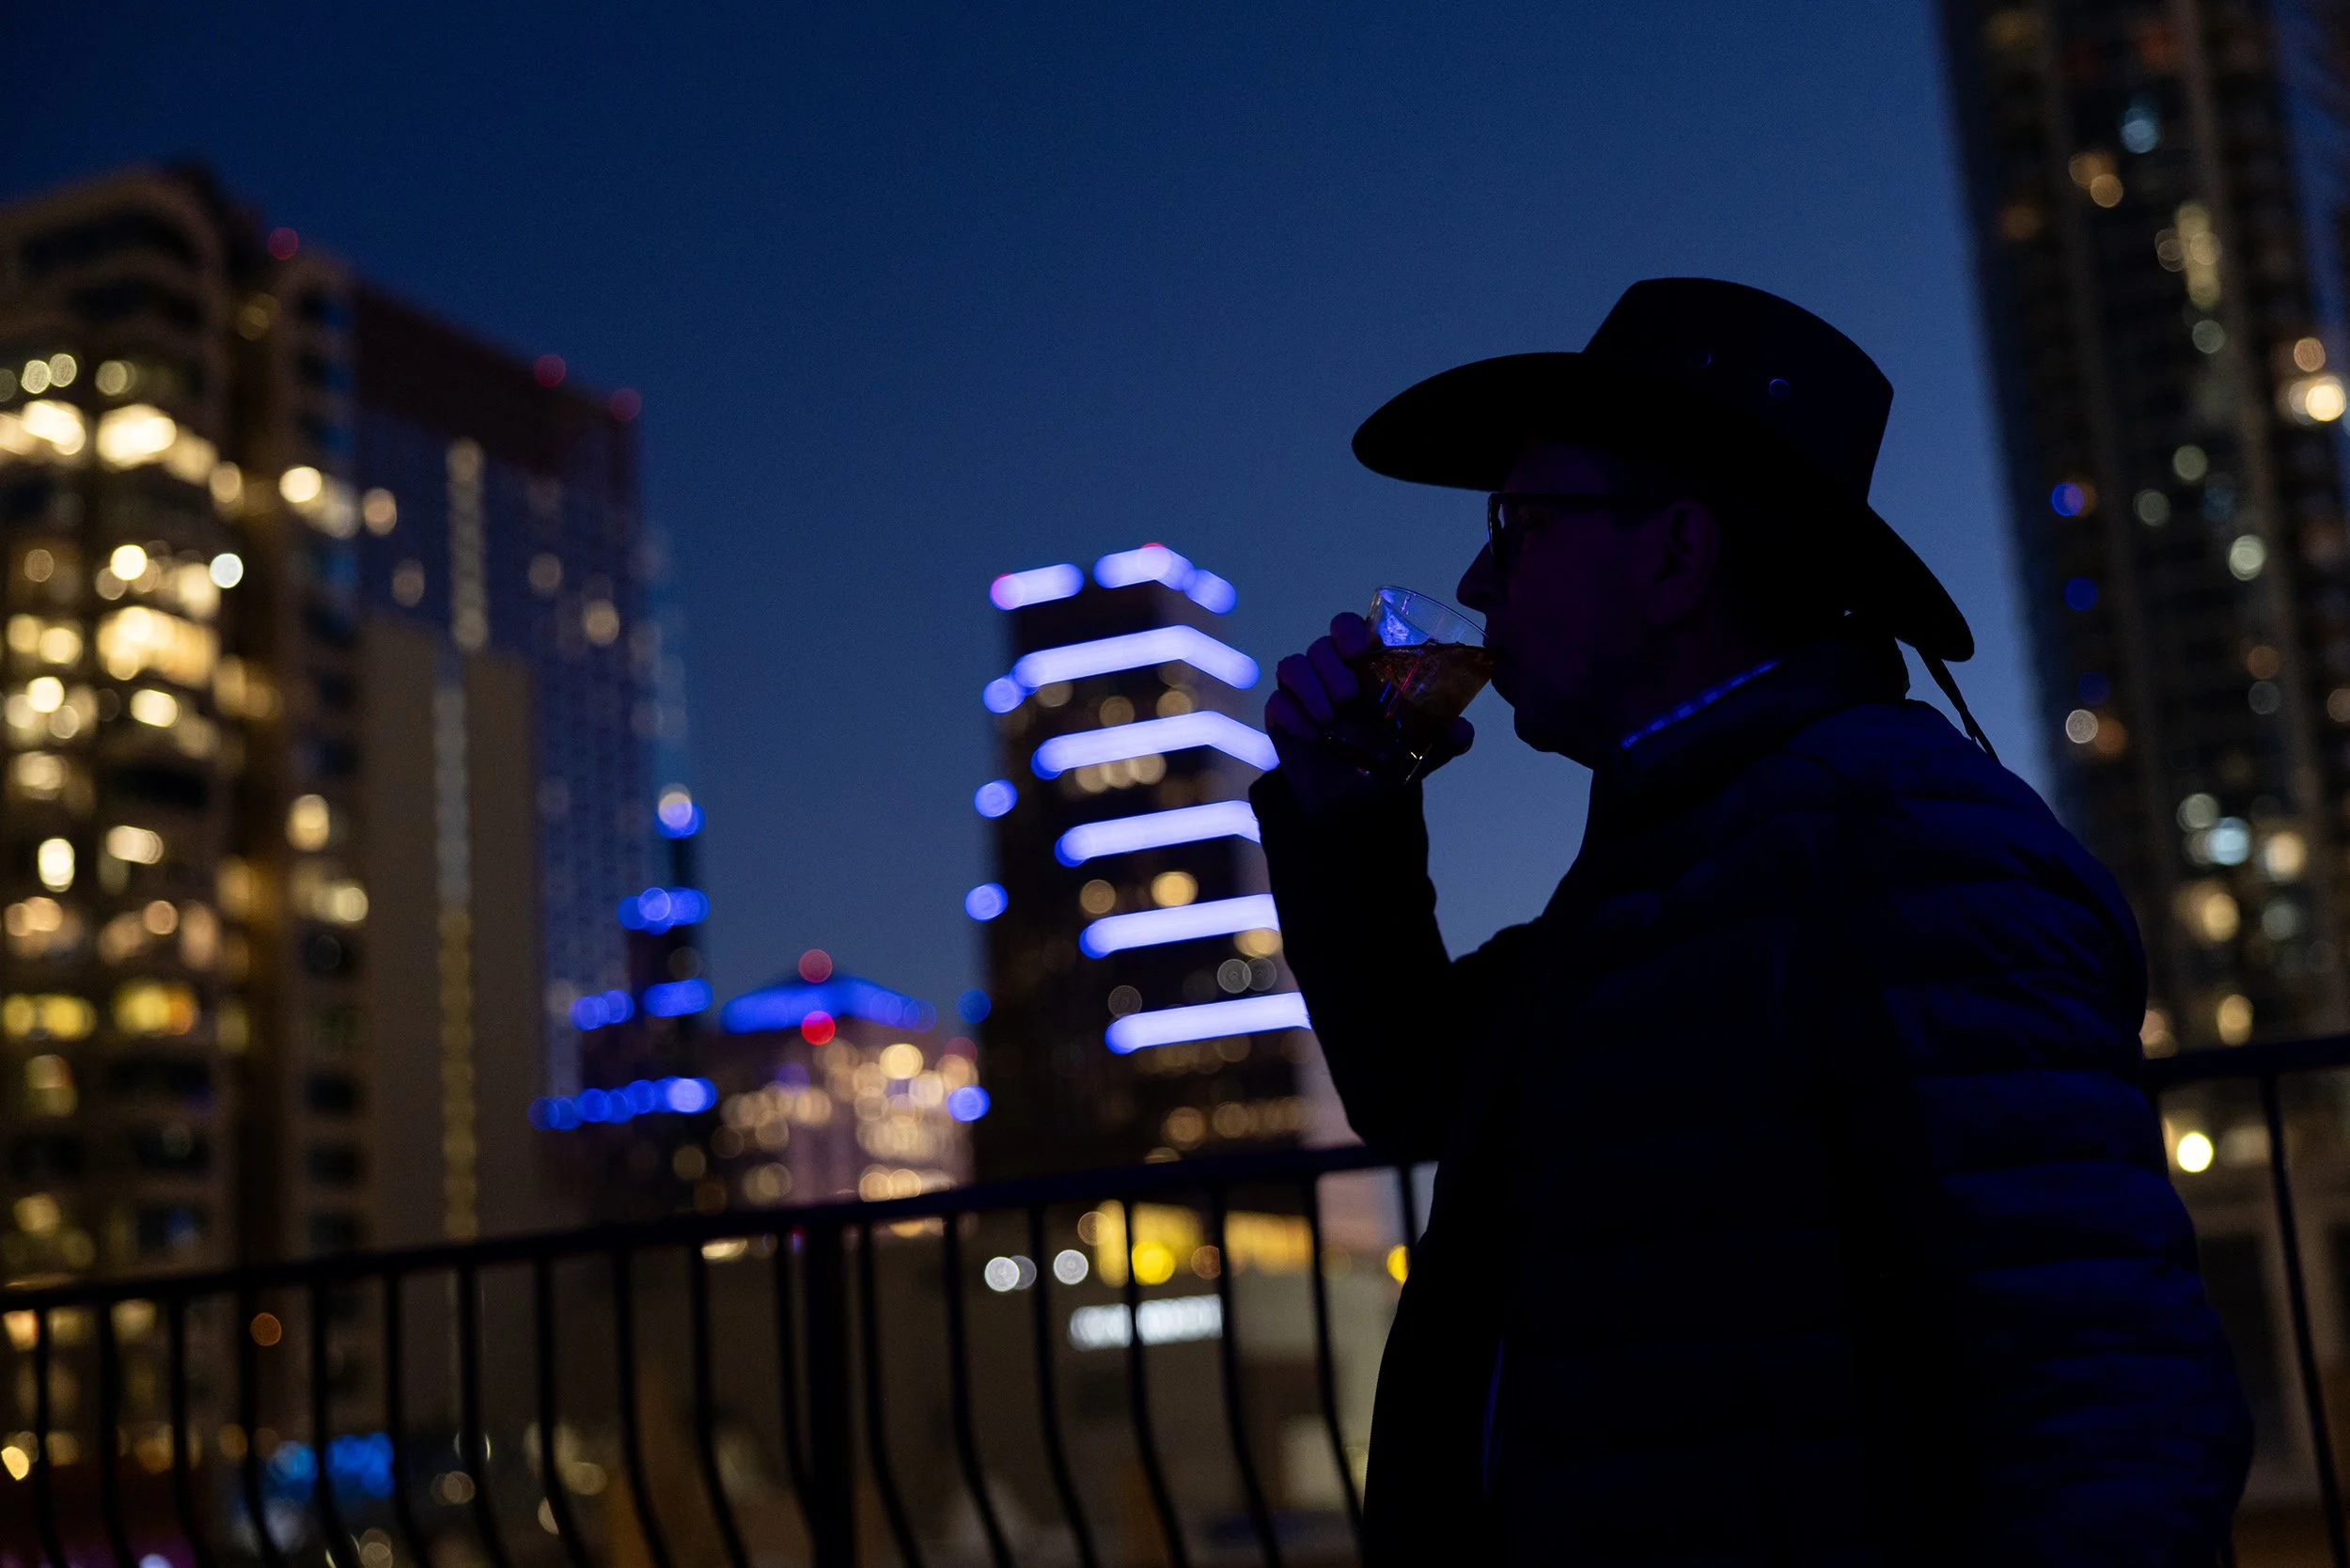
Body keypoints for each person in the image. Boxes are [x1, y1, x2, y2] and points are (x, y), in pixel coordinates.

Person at [1253, 279, 2252, 1564]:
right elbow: (1423, 1088)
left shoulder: (1901, 839)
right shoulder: (1685, 845)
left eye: (1518, 525)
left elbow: (2105, 1396)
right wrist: (1347, 814)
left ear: (1675, 556)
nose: (1476, 577)